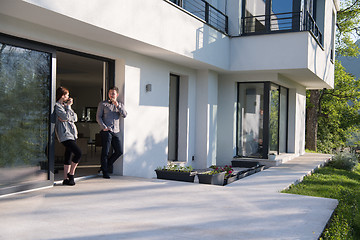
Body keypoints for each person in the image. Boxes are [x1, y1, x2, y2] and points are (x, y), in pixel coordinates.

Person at [96, 86, 127, 179]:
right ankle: (105, 172)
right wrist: (104, 127)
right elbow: (98, 117)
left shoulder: (120, 104)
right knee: (105, 151)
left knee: (119, 151)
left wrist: (117, 105)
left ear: (117, 94)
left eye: (113, 93)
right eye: (110, 93)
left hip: (116, 131)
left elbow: (124, 115)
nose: (111, 95)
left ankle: (105, 166)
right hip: (106, 131)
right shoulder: (103, 104)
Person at [55, 87, 82, 185]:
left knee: (68, 155)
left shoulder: (65, 106)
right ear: (62, 96)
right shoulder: (57, 106)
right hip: (65, 135)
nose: (68, 97)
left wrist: (68, 111)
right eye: (67, 95)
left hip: (72, 134)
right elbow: (65, 117)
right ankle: (71, 174)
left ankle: (66, 179)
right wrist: (68, 113)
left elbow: (75, 118)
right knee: (78, 153)